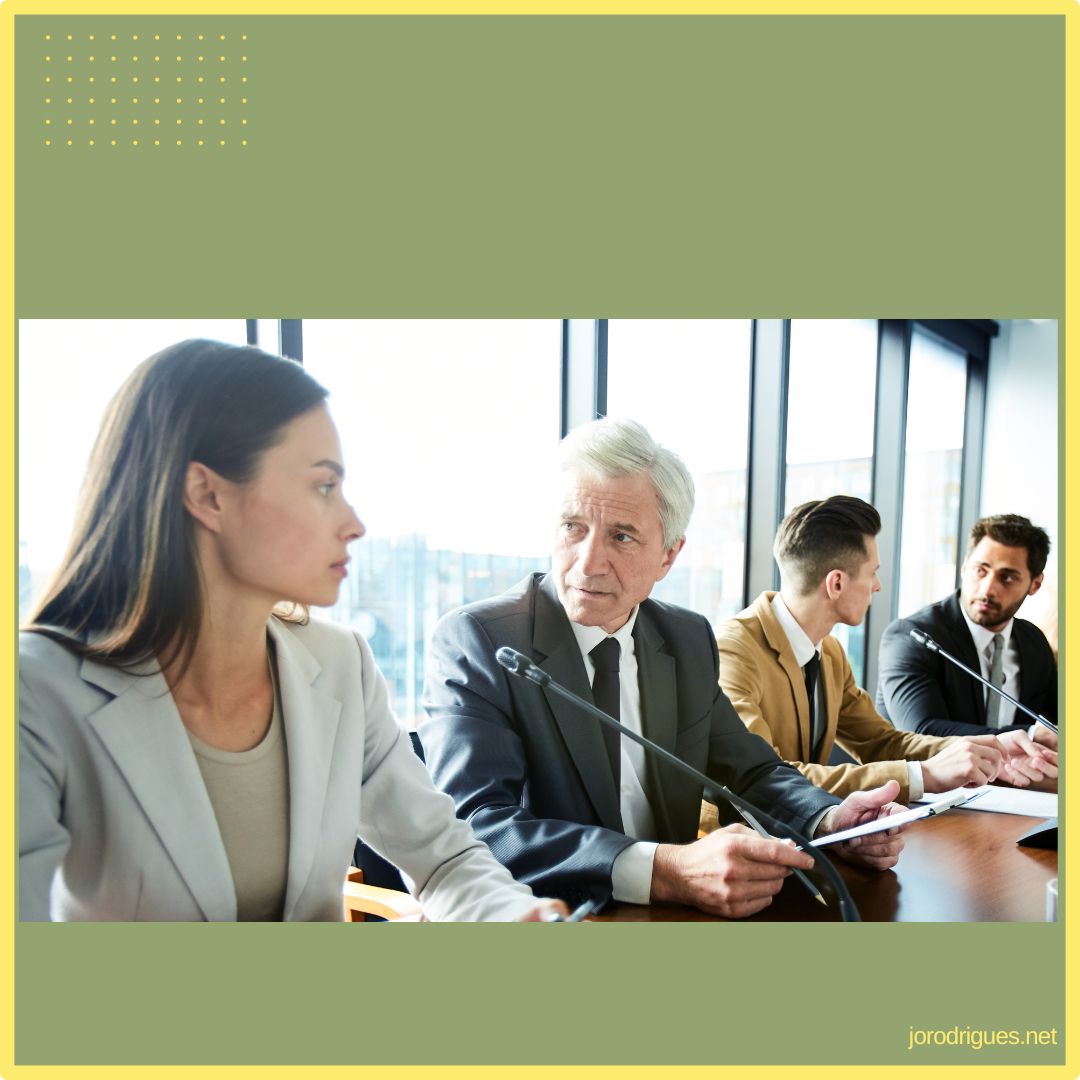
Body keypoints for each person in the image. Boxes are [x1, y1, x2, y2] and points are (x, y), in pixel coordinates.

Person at [19, 339, 564, 923]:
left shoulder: (339, 664)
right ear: (208, 495)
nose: (354, 523)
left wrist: (515, 917)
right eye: (324, 486)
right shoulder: (36, 690)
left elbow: (445, 859)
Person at [421, 418, 906, 921]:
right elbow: (475, 824)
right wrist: (664, 869)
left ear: (669, 555)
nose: (588, 562)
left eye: (622, 537)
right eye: (573, 527)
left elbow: (750, 770)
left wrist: (829, 819)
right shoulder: (482, 638)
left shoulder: (685, 638)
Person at [714, 497, 1056, 807]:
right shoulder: (733, 651)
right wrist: (923, 775)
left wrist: (990, 748)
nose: (877, 585)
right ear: (836, 583)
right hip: (734, 844)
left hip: (805, 833)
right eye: (873, 572)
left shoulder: (829, 652)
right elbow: (767, 776)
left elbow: (881, 741)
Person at [876, 514, 1058, 748]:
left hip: (1011, 782)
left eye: (1007, 577)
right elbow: (922, 730)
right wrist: (1029, 734)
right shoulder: (913, 636)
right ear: (964, 567)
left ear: (1035, 584)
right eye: (980, 570)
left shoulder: (1033, 642)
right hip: (922, 783)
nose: (988, 588)